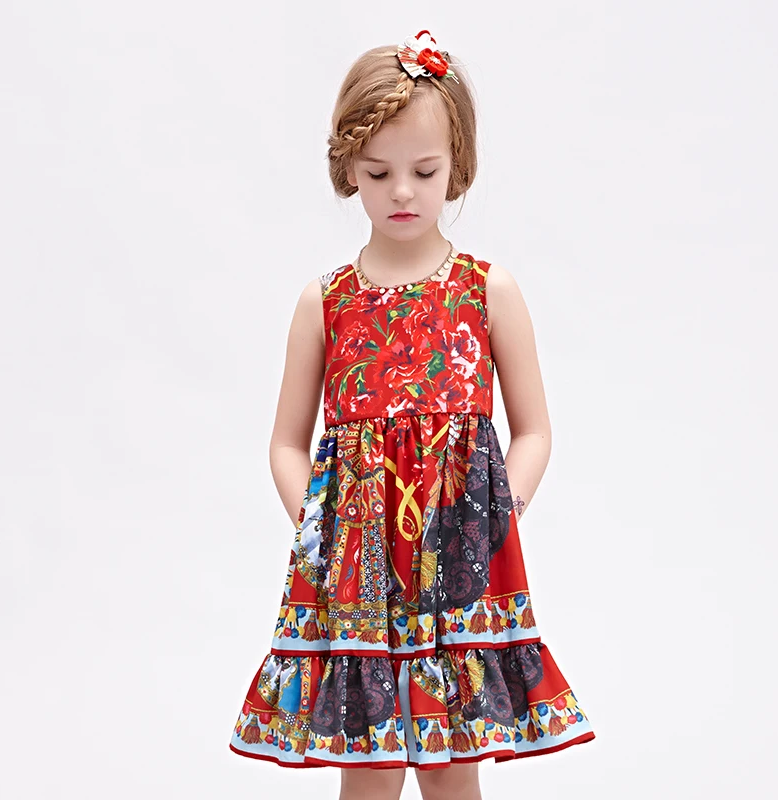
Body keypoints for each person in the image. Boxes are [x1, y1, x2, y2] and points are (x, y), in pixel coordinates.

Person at [229, 30, 595, 799]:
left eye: (424, 171)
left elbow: (533, 430)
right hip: (356, 580)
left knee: (451, 766)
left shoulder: (486, 291)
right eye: (379, 172)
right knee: (366, 771)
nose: (402, 191)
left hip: (455, 572)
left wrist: (492, 517)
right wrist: (327, 532)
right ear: (348, 170)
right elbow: (286, 444)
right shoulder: (326, 302)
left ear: (456, 164)